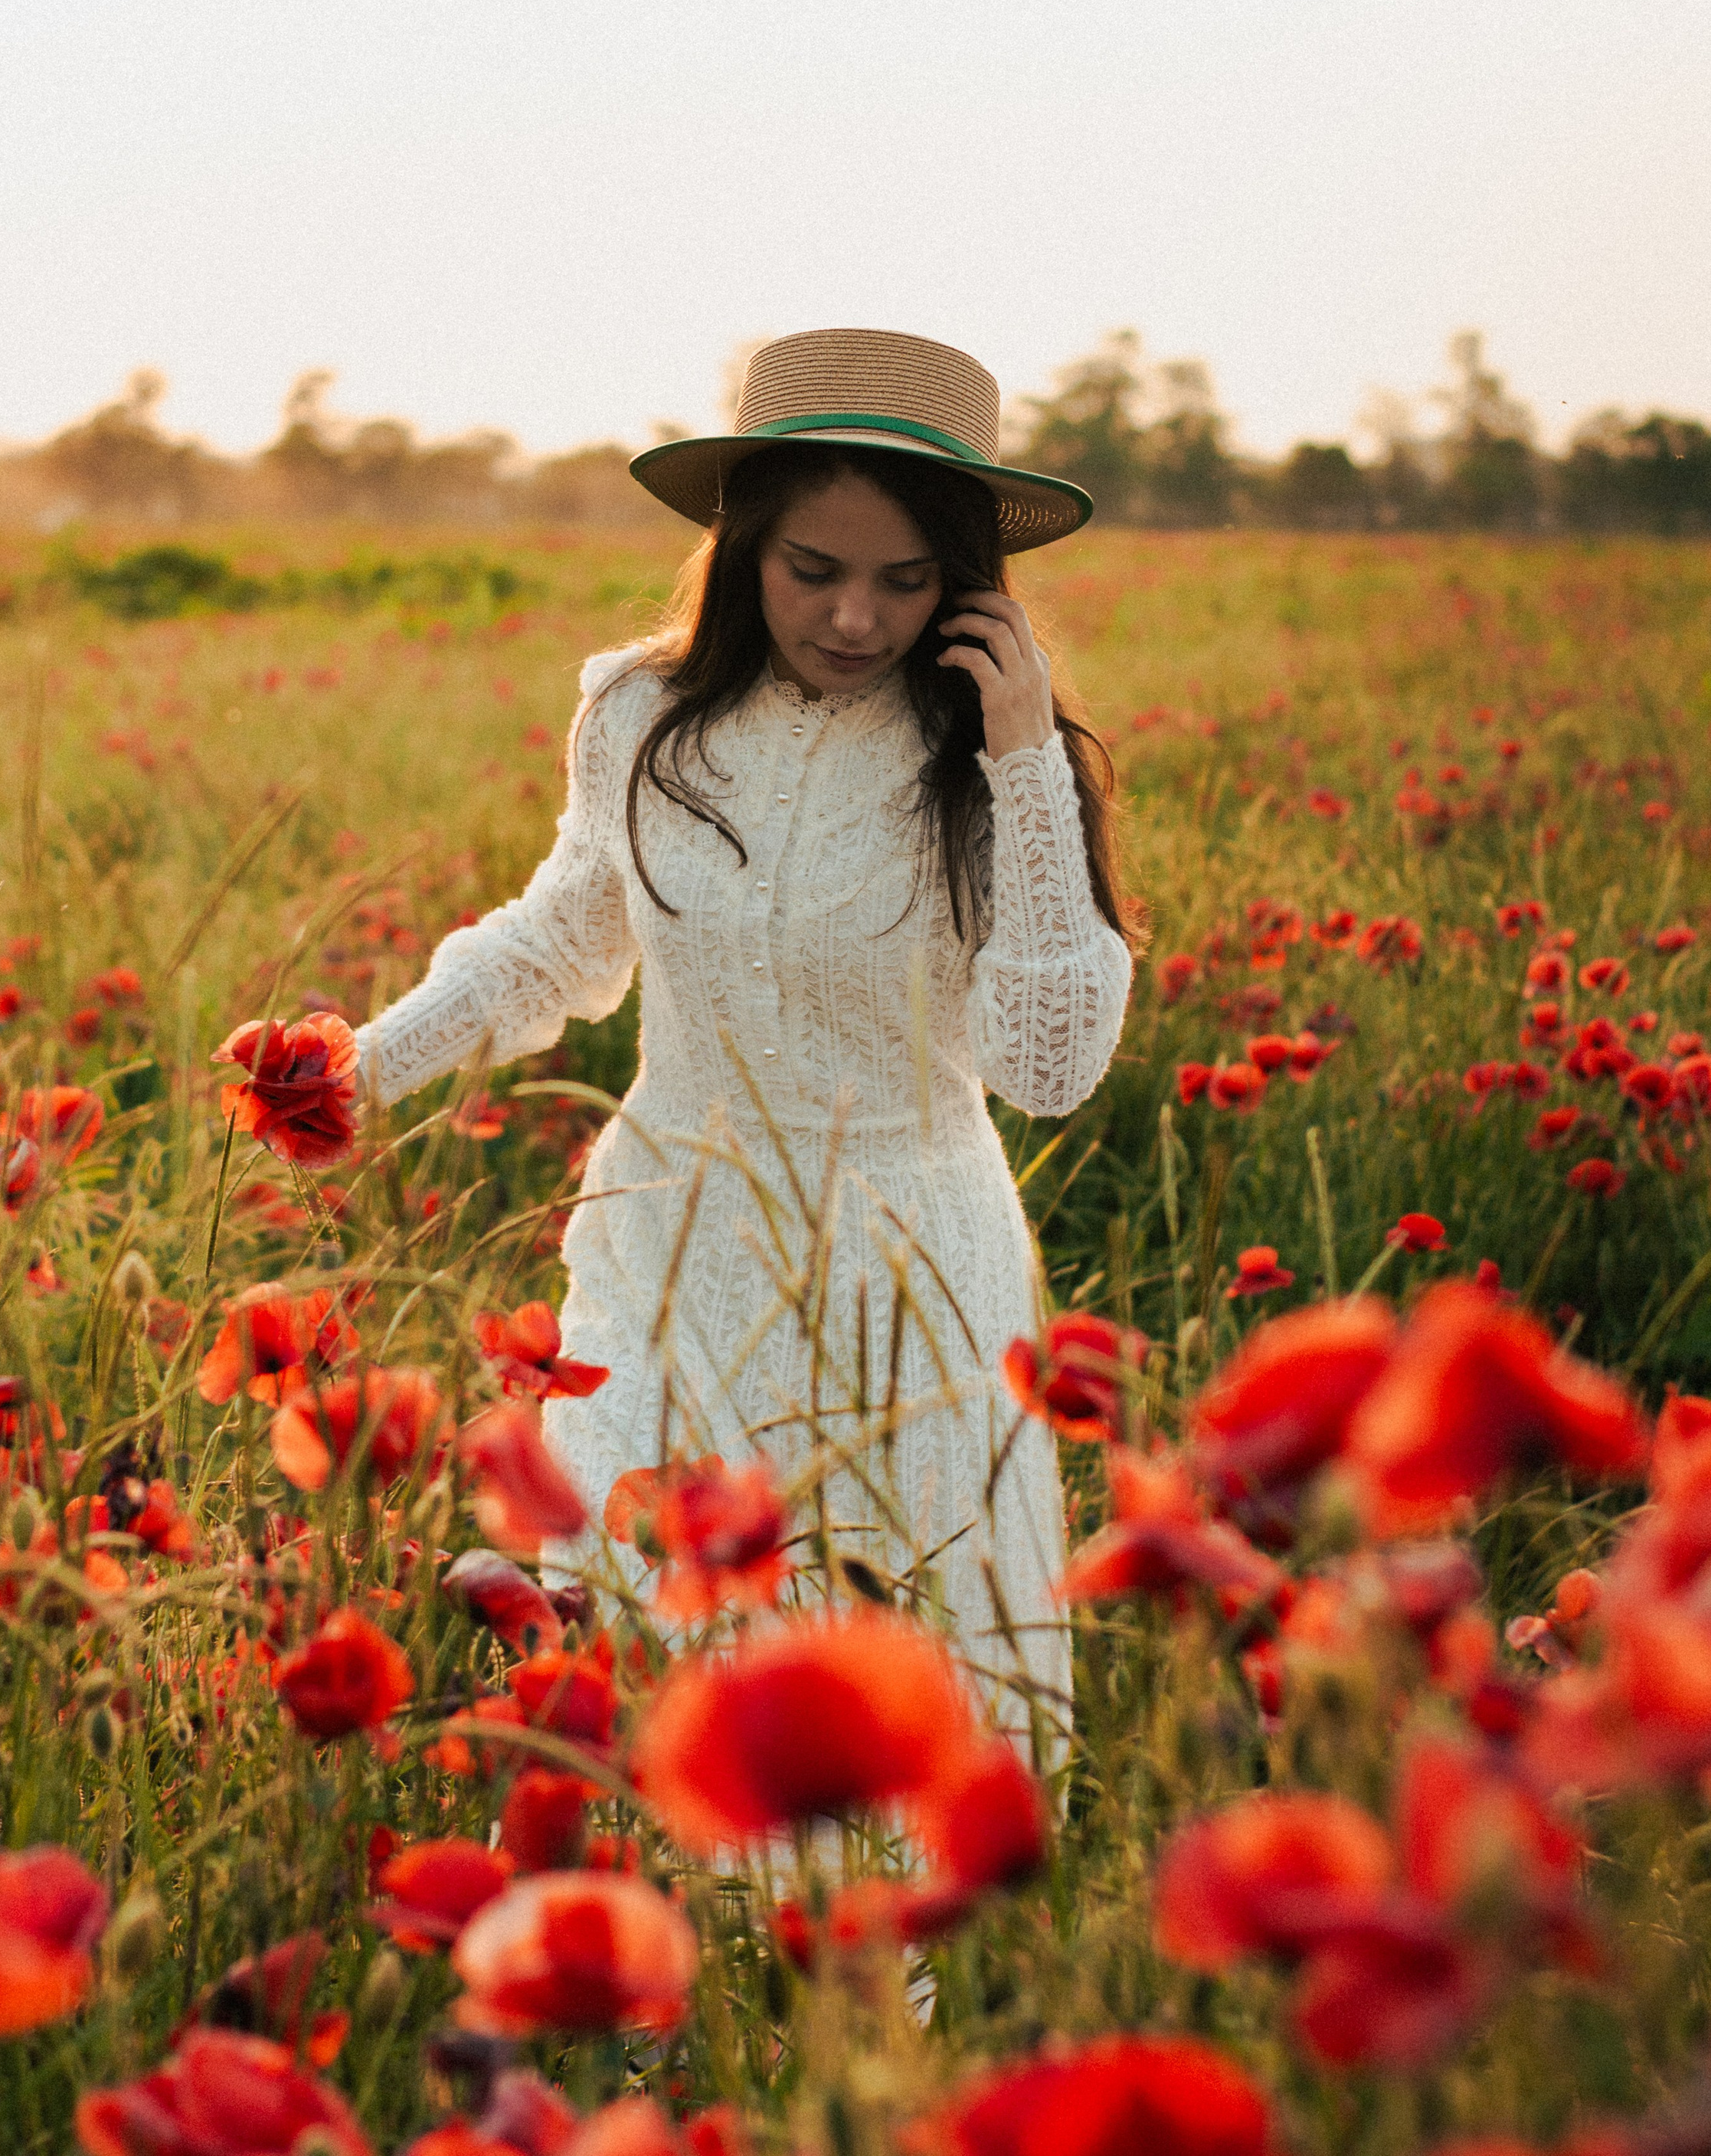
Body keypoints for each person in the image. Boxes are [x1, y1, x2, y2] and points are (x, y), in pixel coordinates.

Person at [357, 327, 1140, 1732]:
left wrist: (1023, 756)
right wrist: (361, 1069)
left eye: (906, 580)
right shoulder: (642, 716)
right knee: (628, 1655)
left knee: (868, 1703)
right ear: (742, 547)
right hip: (668, 1248)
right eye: (813, 569)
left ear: (966, 583)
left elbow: (1047, 1065)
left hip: (912, 1279)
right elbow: (560, 938)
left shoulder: (994, 762)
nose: (856, 617)